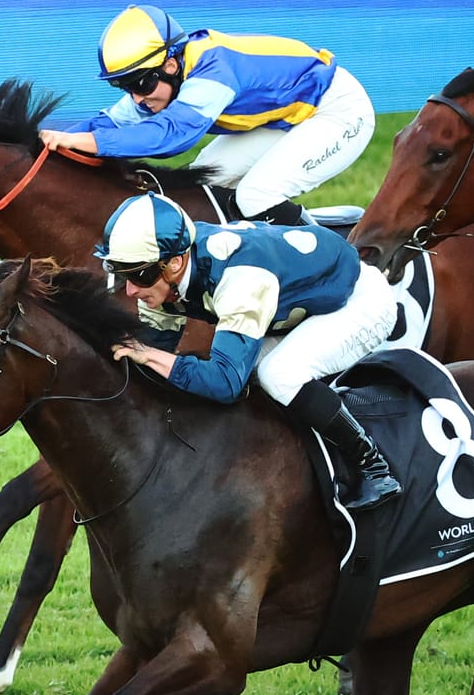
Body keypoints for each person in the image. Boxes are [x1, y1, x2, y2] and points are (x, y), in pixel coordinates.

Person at [97, 191, 401, 509]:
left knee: (276, 375)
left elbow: (224, 383)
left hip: (359, 302)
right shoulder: (168, 274)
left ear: (175, 263)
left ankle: (374, 467)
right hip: (298, 305)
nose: (130, 290)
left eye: (138, 275)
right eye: (123, 274)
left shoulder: (238, 278)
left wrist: (152, 355)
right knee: (240, 374)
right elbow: (153, 358)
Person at [39, 5, 374, 225]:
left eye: (141, 83)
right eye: (125, 87)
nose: (137, 97)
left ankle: (333, 263)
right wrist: (45, 144)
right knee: (202, 187)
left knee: (256, 196)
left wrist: (91, 142)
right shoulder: (165, 77)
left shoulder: (213, 72)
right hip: (286, 116)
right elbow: (109, 123)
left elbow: (171, 136)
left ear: (171, 65)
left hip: (338, 110)